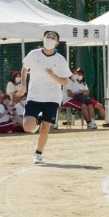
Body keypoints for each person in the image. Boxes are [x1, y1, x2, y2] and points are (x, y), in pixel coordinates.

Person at [16, 30, 72, 164]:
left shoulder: (60, 59)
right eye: (48, 36)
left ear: (57, 42)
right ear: (43, 38)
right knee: (28, 128)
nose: (50, 39)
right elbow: (24, 69)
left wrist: (53, 76)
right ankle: (37, 121)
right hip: (34, 96)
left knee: (45, 129)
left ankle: (38, 153)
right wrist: (23, 86)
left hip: (52, 98)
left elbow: (65, 81)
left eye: (53, 37)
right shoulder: (34, 54)